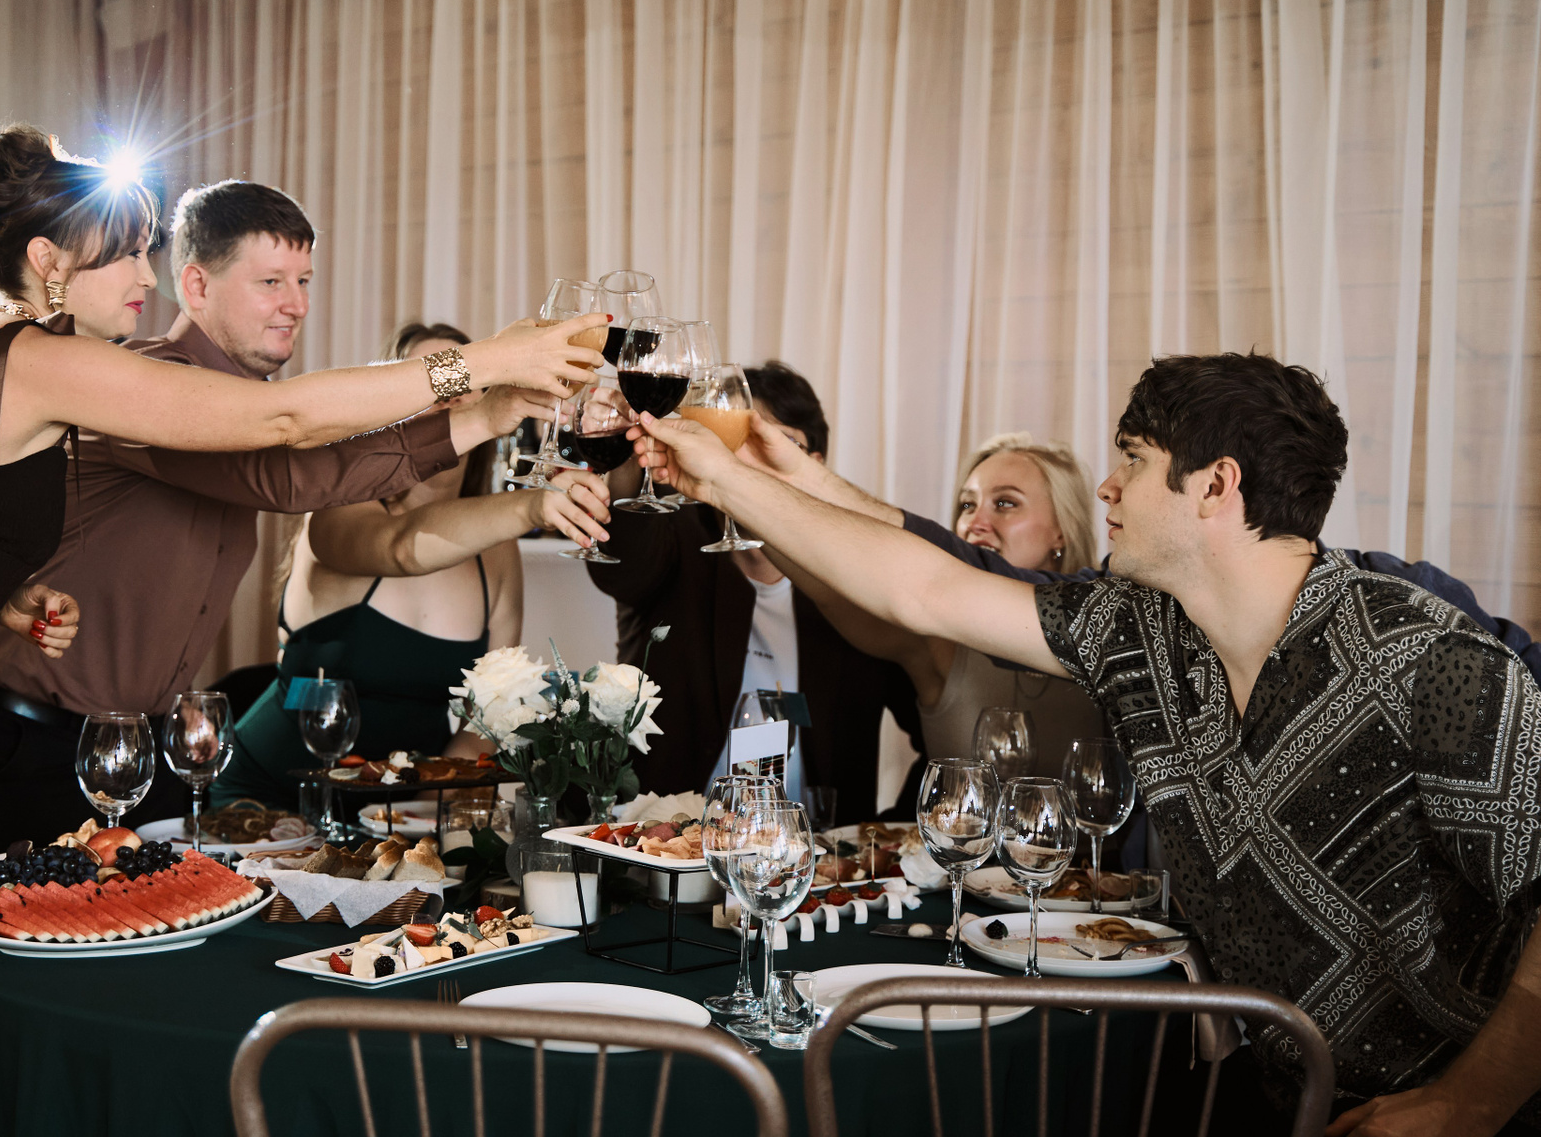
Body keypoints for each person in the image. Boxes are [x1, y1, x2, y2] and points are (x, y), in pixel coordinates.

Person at [0, 125, 604, 1137]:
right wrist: (484, 367)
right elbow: (284, 430)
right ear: (49, 262)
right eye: (126, 255)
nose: (147, 275)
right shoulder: (47, 361)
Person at [642, 353, 1541, 1135]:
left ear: (1216, 486)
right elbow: (924, 588)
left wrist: (1471, 1103)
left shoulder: (1432, 662)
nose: (1107, 488)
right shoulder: (1138, 631)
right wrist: (731, 482)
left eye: (1134, 462)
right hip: (1289, 1097)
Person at [0, 180, 555, 857]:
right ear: (196, 286)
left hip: (151, 752)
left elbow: (310, 450)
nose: (296, 304)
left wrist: (494, 413)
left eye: (304, 280)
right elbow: (295, 476)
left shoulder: (256, 413)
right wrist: (485, 389)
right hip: (35, 748)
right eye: (270, 281)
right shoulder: (143, 383)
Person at [213, 322, 616, 810]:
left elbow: (489, 715)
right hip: (269, 802)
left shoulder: (496, 552)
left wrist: (425, 812)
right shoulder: (337, 509)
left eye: (465, 379)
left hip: (401, 812)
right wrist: (533, 505)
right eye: (434, 377)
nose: (451, 394)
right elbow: (402, 547)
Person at [583, 361, 919, 822]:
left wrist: (893, 835)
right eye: (735, 443)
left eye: (777, 445)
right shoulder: (678, 543)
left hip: (819, 856)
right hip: (672, 848)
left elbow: (936, 723)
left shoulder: (854, 583)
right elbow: (622, 560)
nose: (751, 463)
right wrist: (625, 451)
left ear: (815, 465)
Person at [808, 431, 1105, 778]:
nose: (974, 523)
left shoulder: (1112, 629)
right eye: (967, 505)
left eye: (1005, 503)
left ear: (1062, 530)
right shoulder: (938, 638)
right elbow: (829, 592)